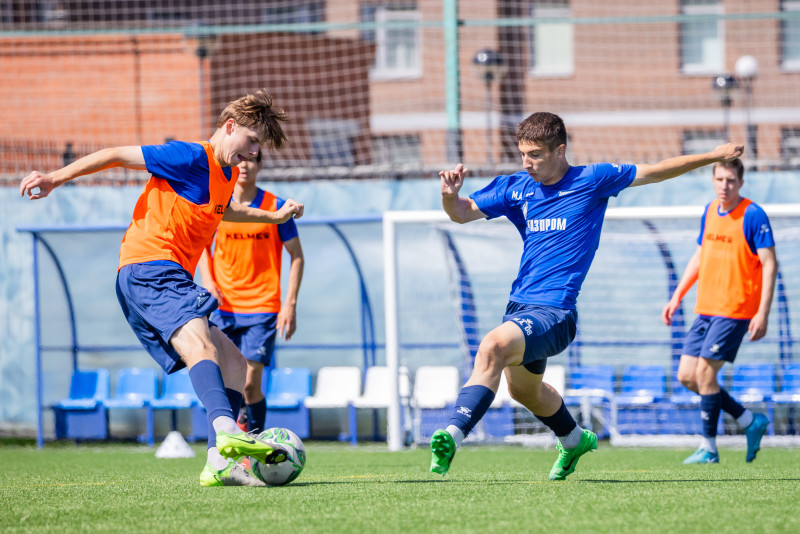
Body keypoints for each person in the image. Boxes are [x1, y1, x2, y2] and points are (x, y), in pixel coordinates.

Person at [432, 111, 744, 481]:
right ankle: (573, 437)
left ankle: (451, 435)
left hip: (556, 313)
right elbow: (462, 213)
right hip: (520, 307)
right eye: (522, 154)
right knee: (524, 392)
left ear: (560, 150)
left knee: (491, 348)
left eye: (535, 154)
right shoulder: (516, 187)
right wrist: (448, 196)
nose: (526, 163)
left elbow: (656, 169)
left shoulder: (593, 180)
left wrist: (714, 155)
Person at [20, 89, 304, 487]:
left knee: (236, 365)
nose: (254, 153)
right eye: (252, 141)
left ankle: (217, 463)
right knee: (200, 345)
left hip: (168, 276)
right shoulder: (189, 156)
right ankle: (227, 431)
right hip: (148, 266)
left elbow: (228, 211)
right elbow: (117, 154)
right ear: (229, 126)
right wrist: (55, 177)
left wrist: (272, 217)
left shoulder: (224, 176)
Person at [662, 158, 776, 464]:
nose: (724, 186)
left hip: (736, 310)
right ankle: (749, 421)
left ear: (740, 183)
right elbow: (700, 255)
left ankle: (709, 448)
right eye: (720, 179)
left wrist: (762, 313)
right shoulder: (711, 211)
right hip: (706, 309)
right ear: (712, 180)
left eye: (730, 181)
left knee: (705, 373)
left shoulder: (753, 215)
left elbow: (769, 263)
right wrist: (677, 296)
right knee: (688, 376)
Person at [198, 148, 304, 436]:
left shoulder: (275, 206)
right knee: (226, 380)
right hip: (224, 307)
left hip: (262, 307)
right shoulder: (220, 204)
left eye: (251, 160)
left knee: (249, 383)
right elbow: (202, 247)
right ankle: (230, 442)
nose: (244, 165)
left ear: (259, 166)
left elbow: (297, 255)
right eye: (240, 159)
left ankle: (253, 440)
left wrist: (290, 304)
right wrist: (208, 281)